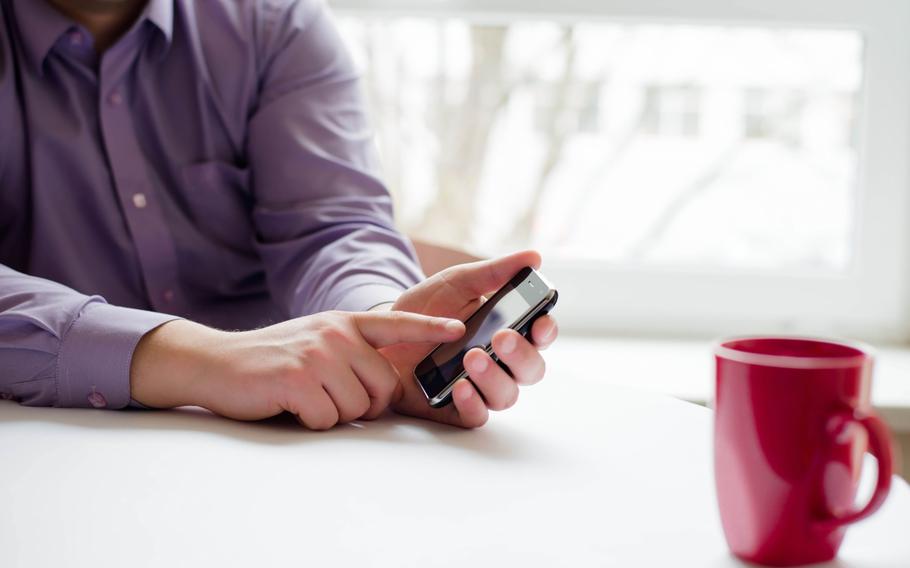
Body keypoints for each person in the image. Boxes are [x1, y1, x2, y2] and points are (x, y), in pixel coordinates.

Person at [0, 0, 558, 429]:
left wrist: (381, 328)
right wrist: (199, 360)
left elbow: (332, 226)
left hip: (294, 438)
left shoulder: (271, 24)